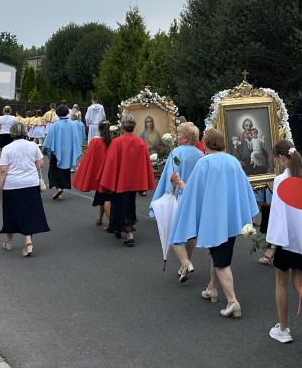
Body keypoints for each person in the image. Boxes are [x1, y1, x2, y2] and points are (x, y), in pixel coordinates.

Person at [169, 128, 258, 317]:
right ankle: (212, 289)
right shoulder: (233, 161)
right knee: (218, 252)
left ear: (207, 143)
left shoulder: (204, 163)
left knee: (221, 261)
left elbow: (193, 192)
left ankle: (233, 301)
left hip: (215, 219)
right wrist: (248, 214)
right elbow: (245, 188)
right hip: (231, 218)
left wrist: (179, 183)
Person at [265, 140, 302, 344]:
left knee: (281, 283)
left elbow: (277, 215)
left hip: (286, 241)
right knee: (299, 284)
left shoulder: (281, 180)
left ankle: (284, 328)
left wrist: (272, 246)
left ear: (280, 158)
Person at [152, 122, 205, 280]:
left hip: (179, 197)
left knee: (174, 233)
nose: (177, 137)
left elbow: (171, 178)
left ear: (186, 138)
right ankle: (184, 266)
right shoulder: (200, 155)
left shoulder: (176, 152)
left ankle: (185, 263)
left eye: (180, 134)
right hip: (194, 198)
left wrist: (166, 195)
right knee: (190, 234)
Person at [98, 113, 156, 246]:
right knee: (129, 202)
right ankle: (119, 228)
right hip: (133, 180)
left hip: (120, 180)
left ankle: (129, 233)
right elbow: (144, 163)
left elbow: (110, 163)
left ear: (122, 127)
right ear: (133, 127)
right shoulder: (140, 142)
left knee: (119, 203)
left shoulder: (117, 142)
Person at [0, 121, 49, 257]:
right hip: (31, 183)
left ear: (11, 134)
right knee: (29, 211)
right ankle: (28, 240)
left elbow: (3, 170)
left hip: (12, 184)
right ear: (25, 132)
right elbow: (40, 163)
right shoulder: (32, 146)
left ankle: (9, 241)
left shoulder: (7, 148)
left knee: (10, 211)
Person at [73, 120, 114, 227]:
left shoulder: (95, 141)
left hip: (99, 174)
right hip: (109, 173)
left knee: (104, 198)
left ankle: (110, 223)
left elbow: (89, 158)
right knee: (104, 197)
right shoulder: (112, 141)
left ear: (99, 129)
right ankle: (100, 217)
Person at [42, 105, 83, 201]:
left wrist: (43, 149)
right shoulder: (72, 124)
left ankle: (58, 188)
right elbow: (76, 138)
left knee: (54, 170)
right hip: (68, 151)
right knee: (65, 171)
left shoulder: (55, 125)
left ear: (57, 113)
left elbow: (49, 138)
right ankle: (61, 192)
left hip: (57, 151)